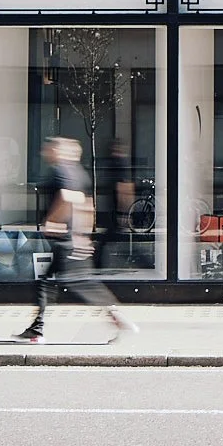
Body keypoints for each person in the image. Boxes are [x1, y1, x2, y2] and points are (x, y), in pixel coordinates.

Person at [17, 136, 136, 343]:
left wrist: (53, 221)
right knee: (49, 282)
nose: (45, 152)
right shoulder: (79, 173)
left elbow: (67, 198)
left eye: (49, 148)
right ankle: (37, 329)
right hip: (72, 238)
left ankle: (115, 315)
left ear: (58, 151)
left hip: (65, 240)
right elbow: (87, 204)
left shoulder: (61, 171)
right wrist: (83, 236)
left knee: (80, 282)